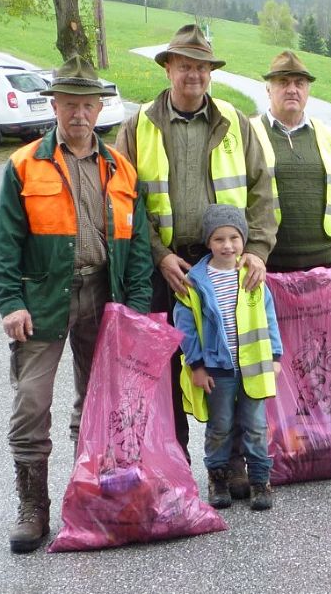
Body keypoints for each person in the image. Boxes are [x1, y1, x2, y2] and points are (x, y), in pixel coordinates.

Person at [0, 56, 153, 553]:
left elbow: (137, 245)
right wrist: (11, 302)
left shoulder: (121, 168)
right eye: (69, 104)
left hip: (104, 294)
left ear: (100, 107)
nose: (78, 113)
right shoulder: (24, 164)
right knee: (31, 403)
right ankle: (33, 506)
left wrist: (136, 307)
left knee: (96, 403)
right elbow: (2, 246)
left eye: (87, 104)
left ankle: (85, 498)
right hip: (42, 299)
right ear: (54, 105)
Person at [116, 24, 277, 495]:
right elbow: (123, 202)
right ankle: (177, 465)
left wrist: (257, 251)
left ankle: (235, 464)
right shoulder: (139, 125)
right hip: (163, 269)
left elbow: (263, 192)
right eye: (185, 65)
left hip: (225, 265)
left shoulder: (235, 121)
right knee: (170, 370)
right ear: (168, 68)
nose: (194, 74)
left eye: (202, 67)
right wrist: (160, 255)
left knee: (233, 364)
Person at [174, 204, 283, 511]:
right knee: (220, 426)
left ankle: (260, 481)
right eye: (219, 239)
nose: (227, 245)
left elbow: (269, 316)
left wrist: (274, 355)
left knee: (256, 425)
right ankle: (218, 479)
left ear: (243, 241)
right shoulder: (194, 282)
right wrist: (196, 365)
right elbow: (185, 328)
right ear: (208, 242)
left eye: (234, 238)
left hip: (255, 365)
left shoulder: (251, 276)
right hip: (218, 370)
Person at [249, 50, 331, 274]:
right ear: (268, 89)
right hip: (266, 268)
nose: (292, 89)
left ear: (308, 90)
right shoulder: (249, 134)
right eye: (283, 82)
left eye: (299, 83)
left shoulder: (328, 137)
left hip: (324, 268)